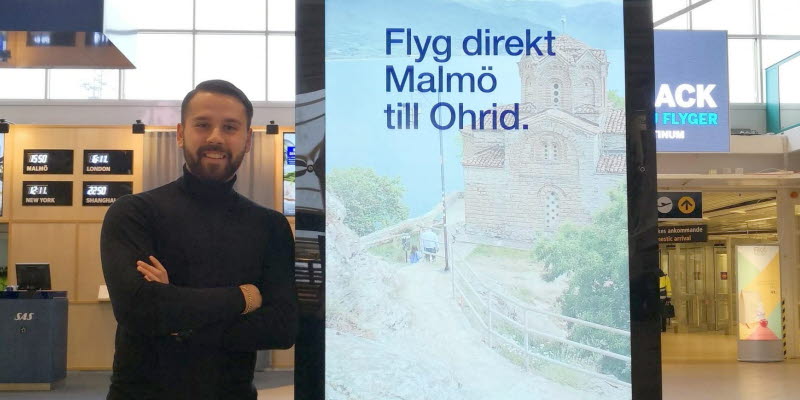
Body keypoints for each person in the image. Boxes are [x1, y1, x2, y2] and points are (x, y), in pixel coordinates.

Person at [100, 80, 298, 400]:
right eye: (202, 125)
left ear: (247, 140)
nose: (215, 137)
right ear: (181, 133)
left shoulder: (270, 227)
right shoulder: (134, 213)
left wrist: (177, 320)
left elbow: (282, 326)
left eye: (230, 127)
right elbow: (138, 310)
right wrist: (243, 298)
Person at [659, 268, 673, 333]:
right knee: (663, 314)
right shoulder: (665, 277)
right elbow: (669, 288)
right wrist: (668, 298)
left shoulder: (652, 277)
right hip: (663, 298)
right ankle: (663, 328)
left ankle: (657, 327)